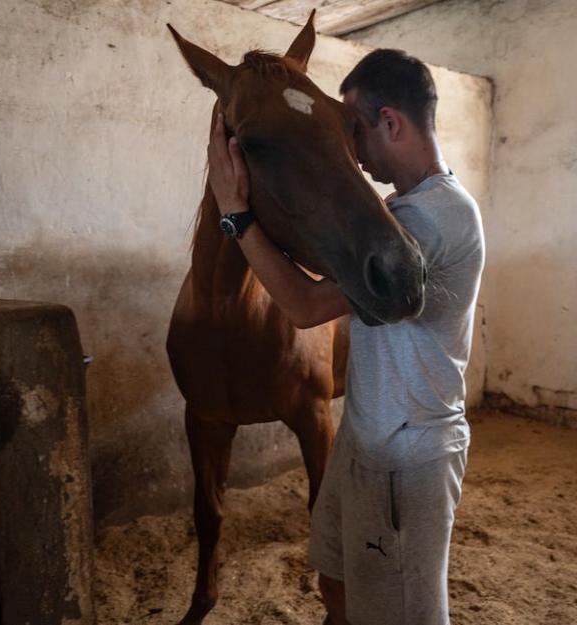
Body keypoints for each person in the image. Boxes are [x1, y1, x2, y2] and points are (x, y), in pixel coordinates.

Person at [206, 48, 485, 625]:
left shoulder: (431, 219)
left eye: (354, 130)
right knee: (335, 580)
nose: (352, 149)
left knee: (401, 612)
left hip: (406, 453)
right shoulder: (399, 208)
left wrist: (235, 213)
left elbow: (306, 307)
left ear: (391, 123)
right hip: (366, 435)